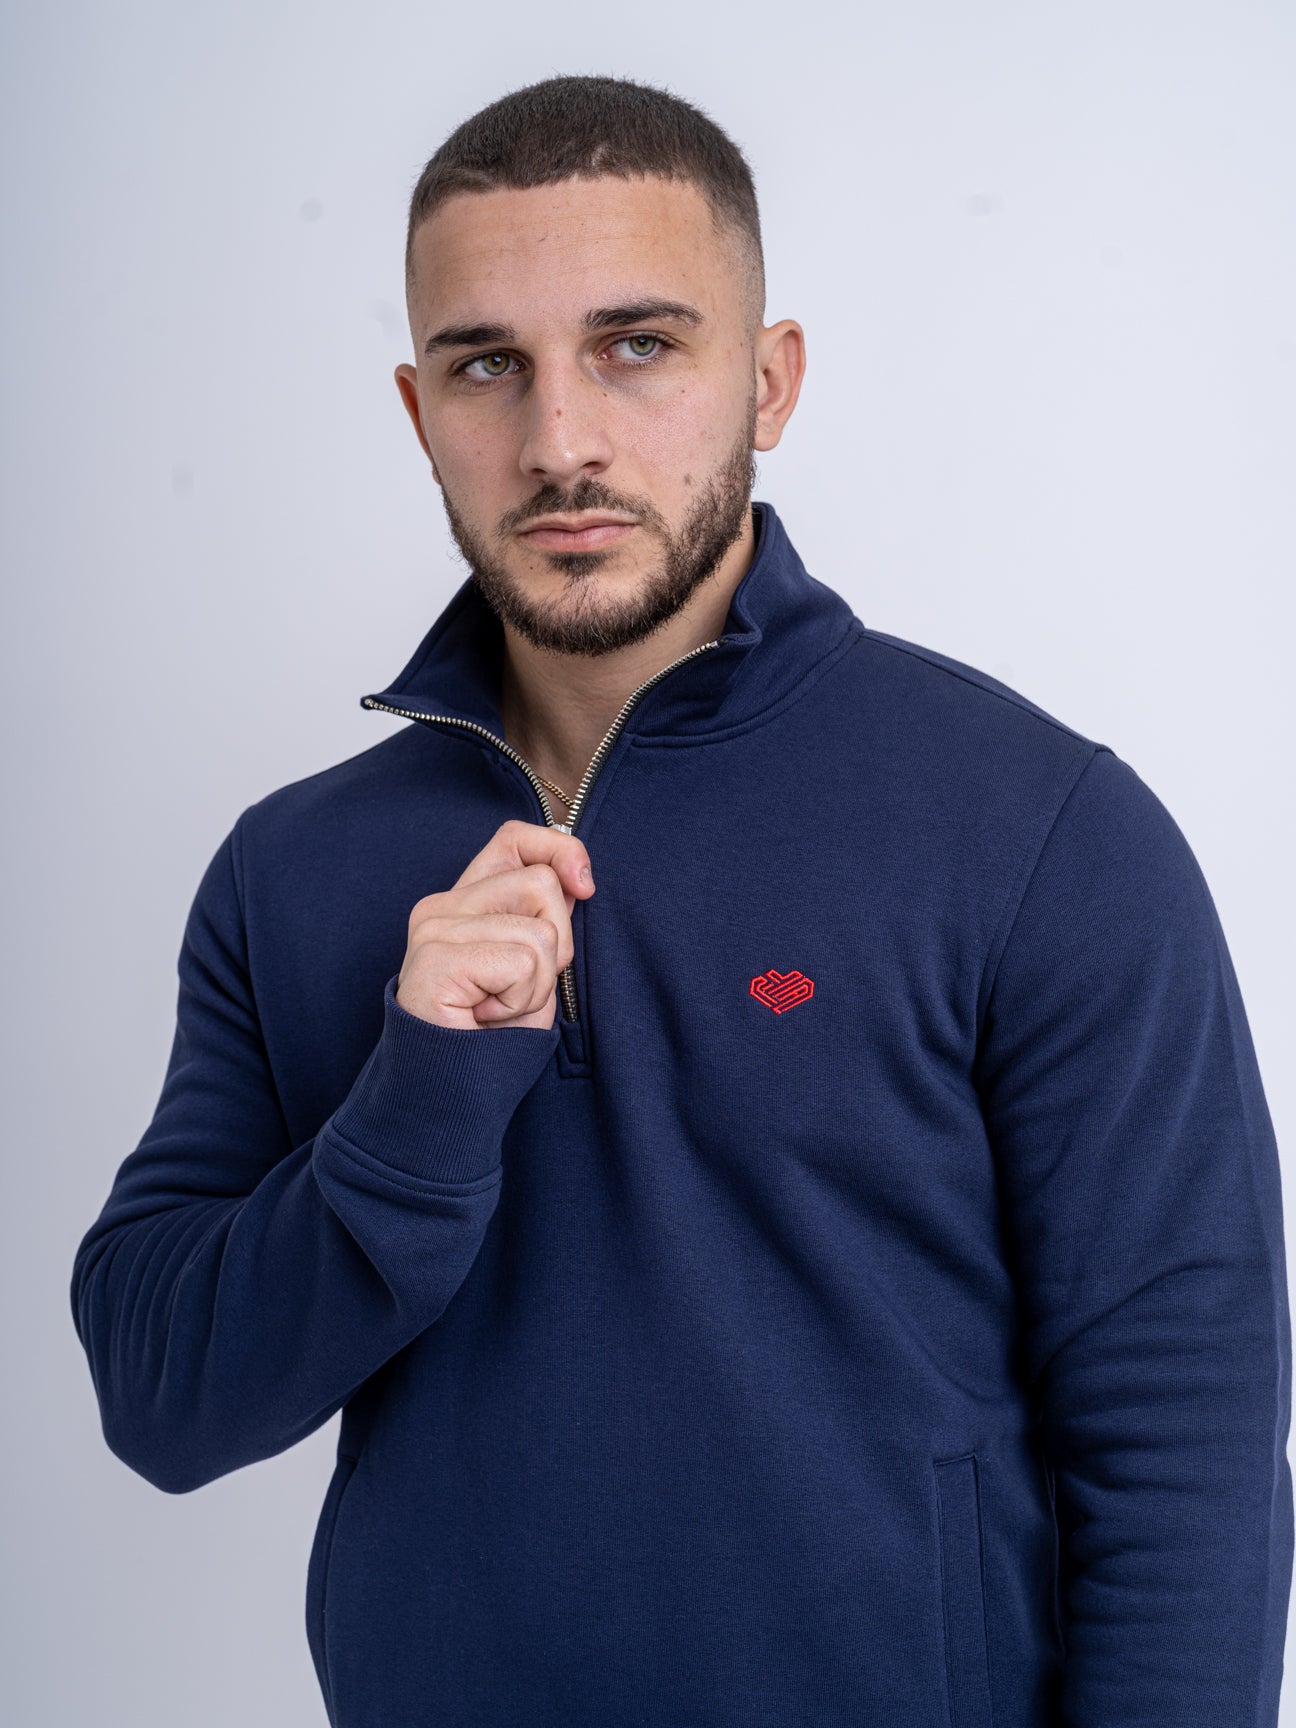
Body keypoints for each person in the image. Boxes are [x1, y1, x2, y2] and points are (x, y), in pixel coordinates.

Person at [70, 73, 1292, 1727]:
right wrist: (416, 1104)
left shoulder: (1039, 829)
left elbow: (1186, 1447)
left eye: (637, 345)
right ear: (418, 410)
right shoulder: (292, 870)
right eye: (486, 365)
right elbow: (160, 1397)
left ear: (769, 380)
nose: (560, 441)